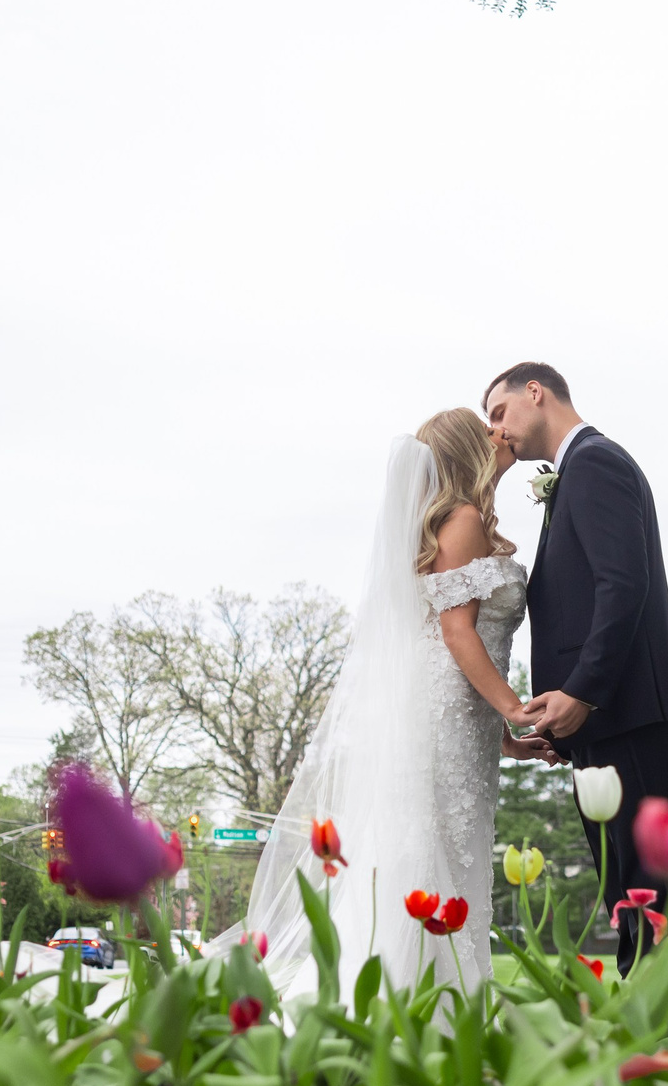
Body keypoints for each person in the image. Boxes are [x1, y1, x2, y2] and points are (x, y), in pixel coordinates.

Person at [232, 410, 552, 993]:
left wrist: (503, 737)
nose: (499, 433)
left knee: (449, 852)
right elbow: (456, 632)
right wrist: (512, 706)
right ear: (469, 450)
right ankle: (421, 998)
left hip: (459, 719)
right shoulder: (464, 519)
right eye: (486, 429)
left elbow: (452, 639)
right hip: (444, 717)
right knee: (432, 853)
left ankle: (437, 998)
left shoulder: (462, 521)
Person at [484, 363, 668, 990]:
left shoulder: (597, 462)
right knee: (627, 889)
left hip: (627, 712)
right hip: (608, 718)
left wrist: (582, 693)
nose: (496, 430)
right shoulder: (577, 470)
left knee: (648, 887)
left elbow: (623, 586)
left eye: (499, 412)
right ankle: (650, 1021)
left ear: (535, 393)